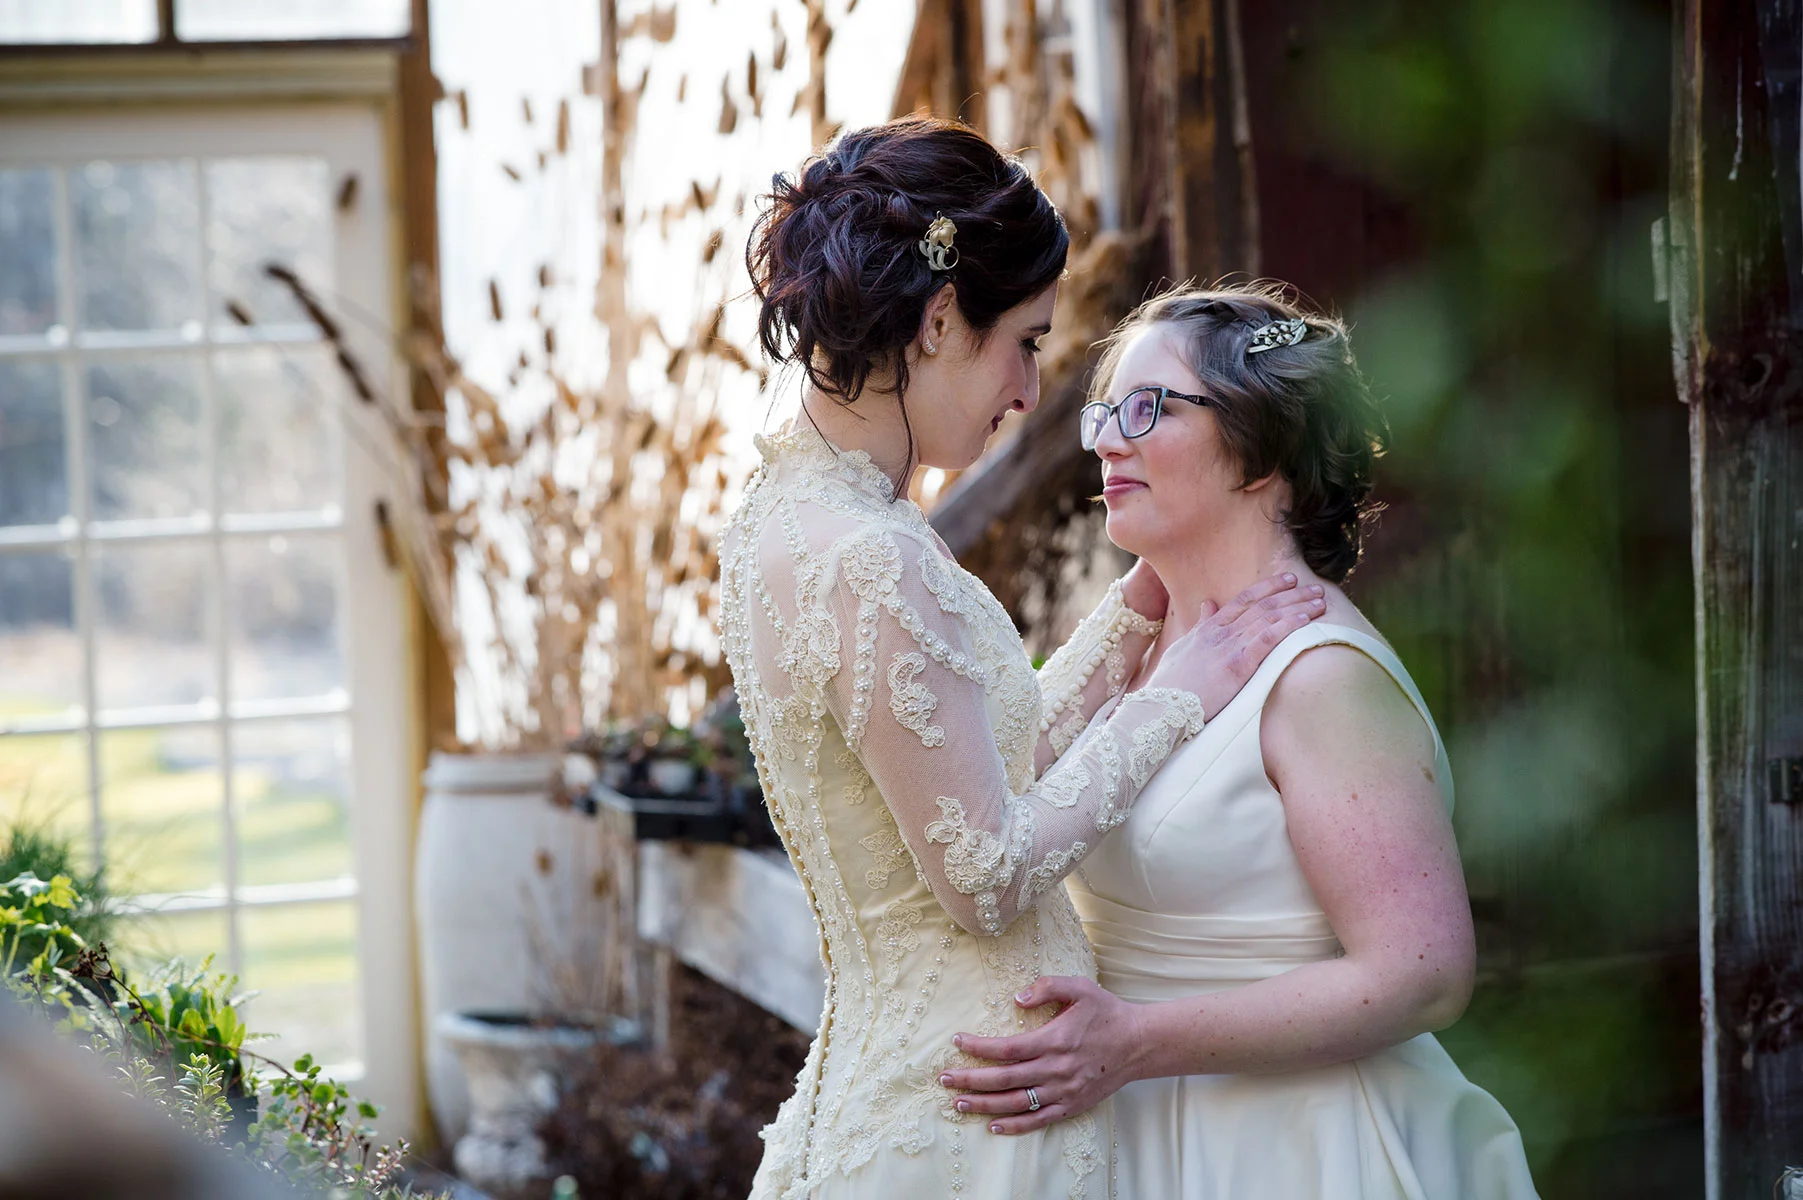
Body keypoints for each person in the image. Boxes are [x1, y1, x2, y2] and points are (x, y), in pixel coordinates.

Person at [719, 122, 1325, 1199]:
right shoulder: (868, 558)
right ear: (943, 320)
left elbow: (968, 773)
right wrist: (1180, 693)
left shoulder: (786, 518)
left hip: (906, 1080)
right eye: (1028, 342)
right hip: (975, 1118)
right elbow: (986, 873)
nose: (1032, 388)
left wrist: (1139, 613)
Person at [939, 282, 1540, 1198]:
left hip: (1296, 1149)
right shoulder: (1142, 652)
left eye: (1146, 409)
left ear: (1260, 447)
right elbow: (997, 806)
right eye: (1105, 411)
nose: (1103, 438)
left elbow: (1423, 975)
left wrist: (1132, 1042)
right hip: (1128, 1140)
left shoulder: (1322, 677)